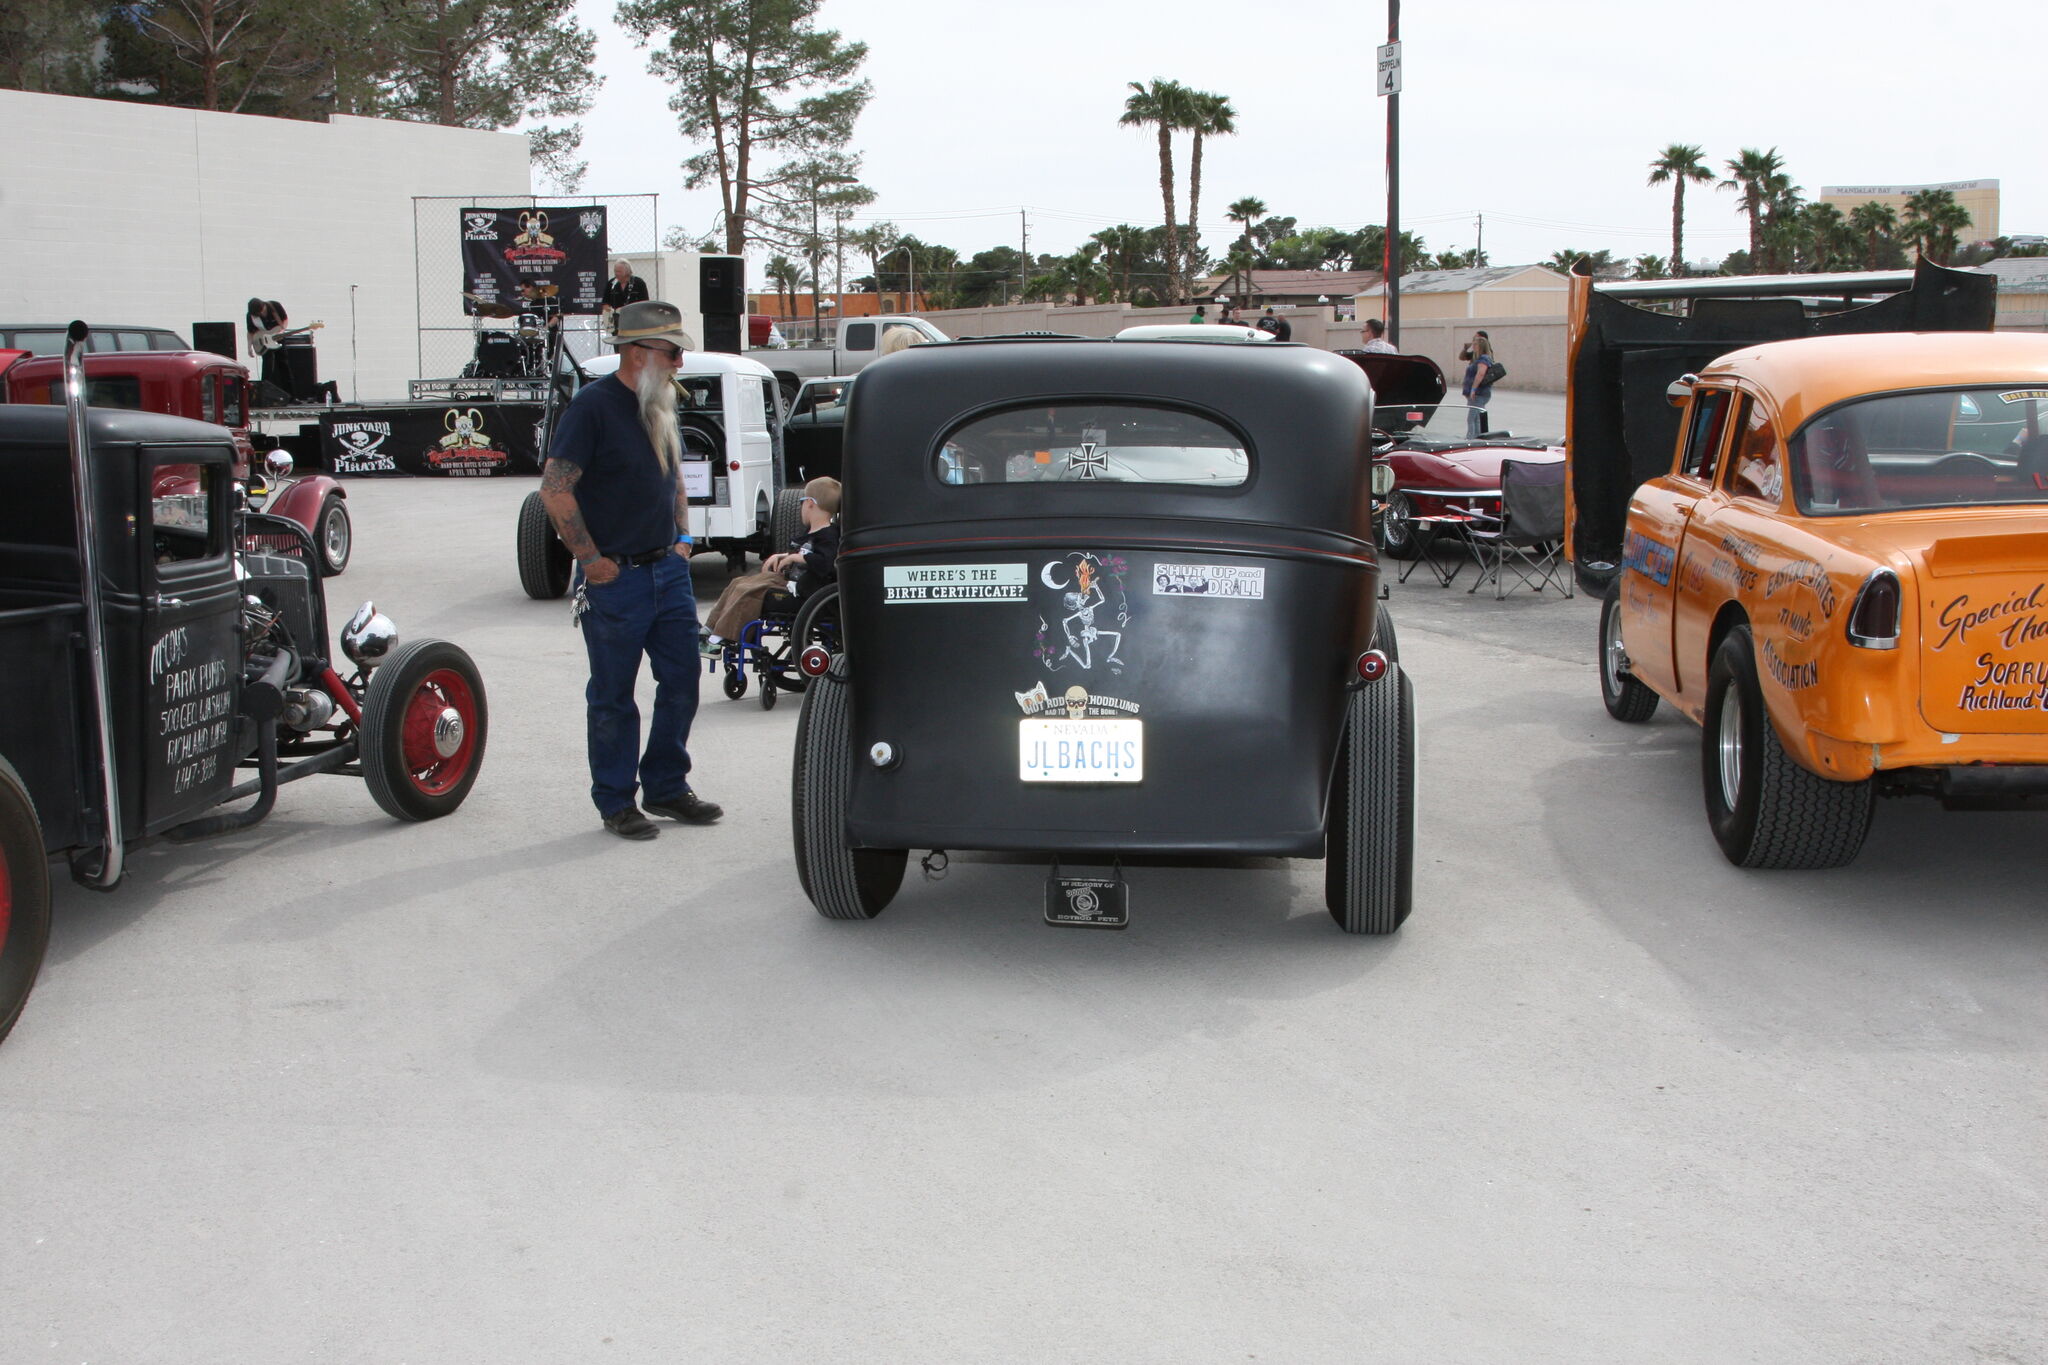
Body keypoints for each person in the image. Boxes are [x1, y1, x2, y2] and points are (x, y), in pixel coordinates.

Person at [539, 299, 722, 841]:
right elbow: (554, 489)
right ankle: (616, 801)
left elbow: (674, 477)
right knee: (614, 695)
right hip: (615, 580)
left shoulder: (659, 405)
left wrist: (684, 537)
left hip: (667, 571)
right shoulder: (592, 408)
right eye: (671, 353)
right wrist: (591, 563)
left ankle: (666, 786)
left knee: (684, 682)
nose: (678, 365)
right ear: (638, 352)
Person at [700, 477, 841, 643]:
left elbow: (825, 563)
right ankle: (710, 627)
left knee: (750, 590)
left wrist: (796, 557)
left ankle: (720, 637)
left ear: (810, 503)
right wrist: (783, 556)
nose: (801, 507)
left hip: (805, 588)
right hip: (791, 579)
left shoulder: (829, 535)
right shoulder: (811, 531)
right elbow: (802, 552)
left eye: (802, 502)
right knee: (738, 582)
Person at [1461, 331, 1496, 438]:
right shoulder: (1477, 358)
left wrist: (1473, 389)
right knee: (1476, 418)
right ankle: (1477, 437)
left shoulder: (1484, 359)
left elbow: (1480, 374)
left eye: (1475, 344)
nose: (1474, 346)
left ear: (1481, 346)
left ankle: (1470, 438)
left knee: (1472, 418)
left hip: (1479, 393)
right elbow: (1462, 356)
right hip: (1475, 394)